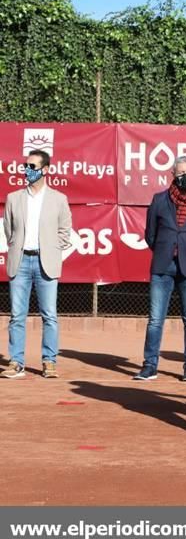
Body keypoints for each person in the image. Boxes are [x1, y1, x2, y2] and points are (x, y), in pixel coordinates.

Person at [133, 156, 186, 383]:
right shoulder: (159, 200)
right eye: (180, 173)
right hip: (162, 266)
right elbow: (150, 235)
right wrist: (165, 250)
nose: (185, 177)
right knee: (155, 319)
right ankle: (150, 365)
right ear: (172, 174)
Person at [1, 150, 72, 379]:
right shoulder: (14, 198)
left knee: (49, 315)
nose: (27, 170)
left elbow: (64, 231)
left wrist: (50, 249)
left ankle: (49, 361)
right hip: (20, 261)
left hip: (46, 262)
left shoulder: (58, 199)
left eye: (32, 166)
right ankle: (16, 362)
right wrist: (17, 247)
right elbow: (9, 230)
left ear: (45, 170)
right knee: (17, 315)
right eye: (26, 166)